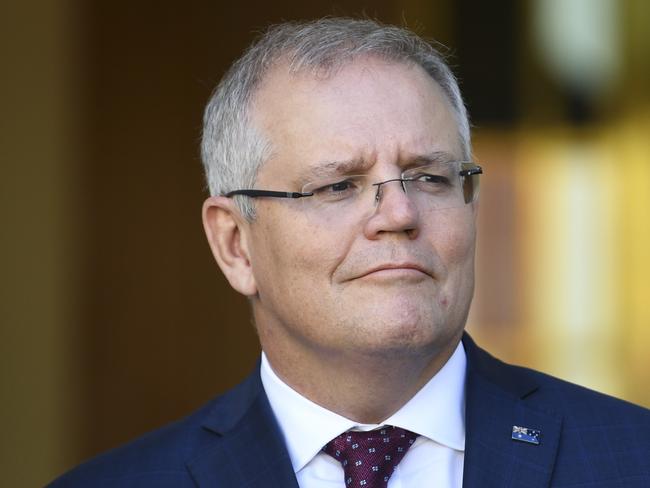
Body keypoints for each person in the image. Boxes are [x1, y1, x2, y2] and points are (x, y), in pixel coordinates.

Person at [50, 18, 649, 488]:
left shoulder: (632, 460)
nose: (399, 215)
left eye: (430, 177)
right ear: (235, 245)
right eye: (338, 186)